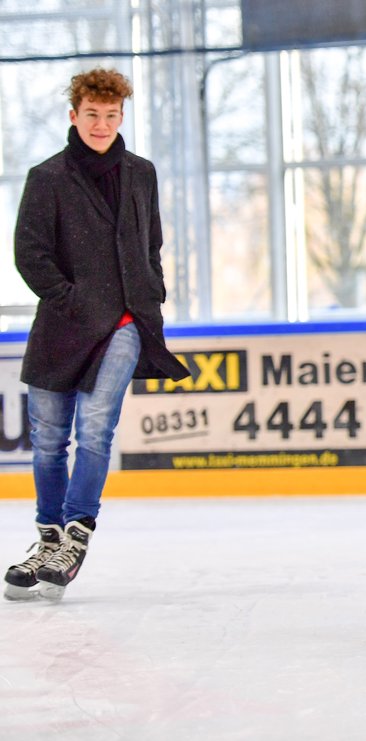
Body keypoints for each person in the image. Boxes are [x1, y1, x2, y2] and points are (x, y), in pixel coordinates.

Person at [4, 68, 190, 602]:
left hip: (127, 322)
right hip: (61, 327)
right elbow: (29, 254)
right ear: (74, 116)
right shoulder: (47, 177)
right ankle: (47, 539)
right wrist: (71, 300)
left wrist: (148, 293)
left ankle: (76, 533)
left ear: (121, 117)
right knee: (47, 440)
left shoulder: (140, 173)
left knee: (95, 429)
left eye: (111, 116)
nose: (102, 125)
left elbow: (150, 242)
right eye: (92, 115)